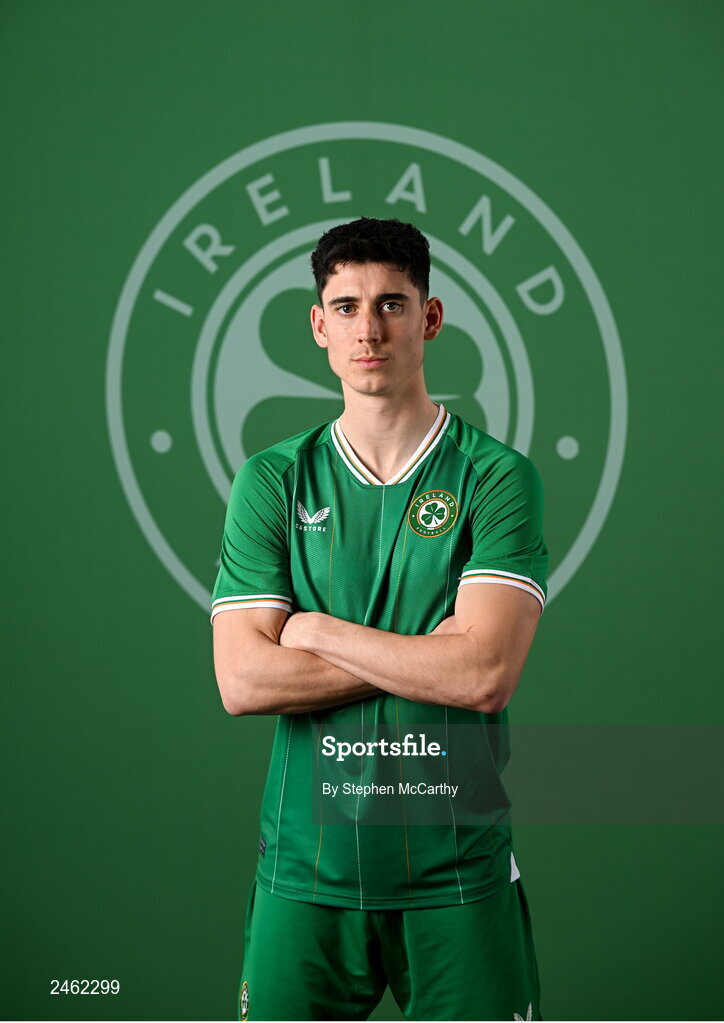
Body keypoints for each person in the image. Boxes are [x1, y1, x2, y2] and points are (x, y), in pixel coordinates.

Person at [212, 217, 548, 1022]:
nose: (369, 329)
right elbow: (242, 680)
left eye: (392, 304)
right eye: (347, 306)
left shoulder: (496, 477)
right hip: (306, 867)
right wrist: (431, 652)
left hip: (456, 866)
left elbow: (485, 674)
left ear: (429, 318)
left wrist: (315, 630)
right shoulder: (273, 479)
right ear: (318, 324)